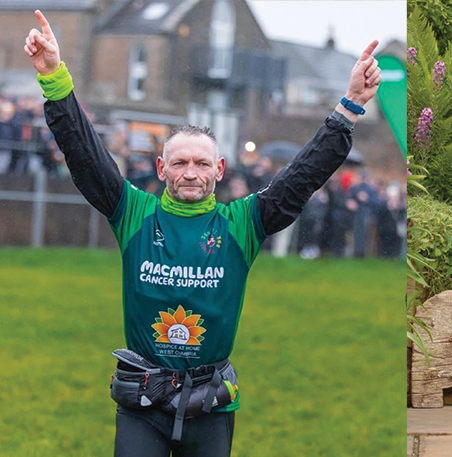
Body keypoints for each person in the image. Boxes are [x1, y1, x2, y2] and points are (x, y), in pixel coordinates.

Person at [24, 9, 380, 456]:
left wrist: (348, 108)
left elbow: (301, 177)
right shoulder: (134, 212)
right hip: (142, 402)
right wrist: (54, 78)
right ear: (161, 168)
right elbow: (84, 154)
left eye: (201, 163)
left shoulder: (240, 224)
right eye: (180, 162)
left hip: (210, 403)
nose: (190, 172)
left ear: (219, 170)